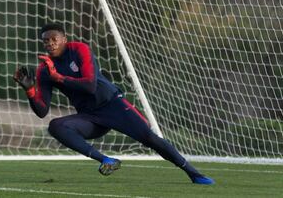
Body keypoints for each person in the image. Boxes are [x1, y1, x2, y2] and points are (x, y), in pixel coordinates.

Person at [13, 23, 214, 185]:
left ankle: (193, 173)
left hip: (113, 105)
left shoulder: (79, 49)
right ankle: (106, 160)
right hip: (90, 117)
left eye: (54, 39)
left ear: (64, 40)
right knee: (55, 126)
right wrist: (30, 90)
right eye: (45, 41)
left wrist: (59, 78)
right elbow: (42, 111)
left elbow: (90, 86)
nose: (50, 44)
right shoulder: (44, 69)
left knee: (149, 138)